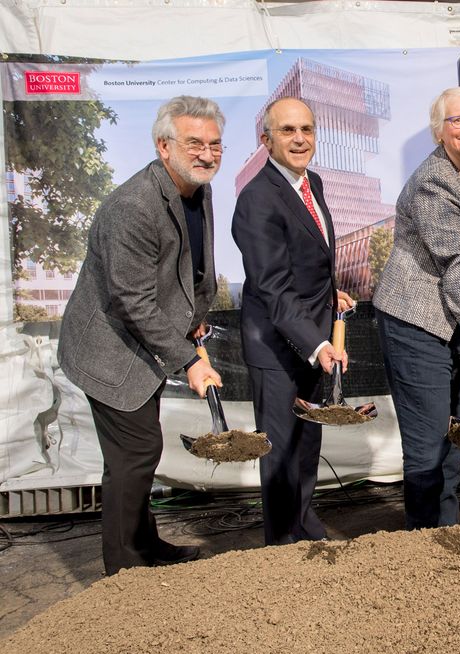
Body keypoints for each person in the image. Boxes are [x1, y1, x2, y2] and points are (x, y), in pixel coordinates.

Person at [57, 96, 225, 574]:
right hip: (109, 350)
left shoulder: (197, 189)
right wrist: (190, 360)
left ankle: (145, 545)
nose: (207, 154)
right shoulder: (133, 206)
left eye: (215, 145)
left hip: (145, 344)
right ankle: (125, 571)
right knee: (136, 453)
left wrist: (195, 319)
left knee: (136, 452)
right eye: (194, 143)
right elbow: (132, 300)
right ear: (163, 146)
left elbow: (190, 268)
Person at [373, 85, 460, 529]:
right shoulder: (432, 180)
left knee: (455, 440)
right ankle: (422, 549)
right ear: (438, 131)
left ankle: (444, 535)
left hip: (454, 316)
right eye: (457, 120)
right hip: (415, 321)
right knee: (428, 446)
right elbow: (455, 257)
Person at [232, 97, 355, 545]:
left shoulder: (312, 182)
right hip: (277, 346)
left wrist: (329, 295)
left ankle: (306, 527)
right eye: (287, 131)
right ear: (266, 139)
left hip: (309, 337)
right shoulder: (257, 200)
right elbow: (273, 286)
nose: (300, 139)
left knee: (307, 444)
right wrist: (318, 344)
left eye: (306, 129)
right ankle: (282, 549)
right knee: (281, 453)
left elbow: (310, 261)